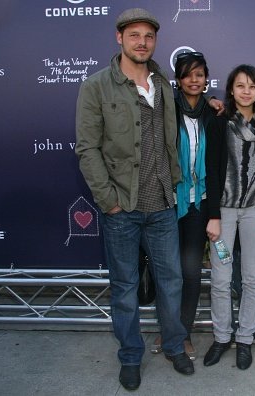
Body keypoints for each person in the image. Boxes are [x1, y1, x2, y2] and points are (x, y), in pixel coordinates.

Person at [75, 8, 194, 391]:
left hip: (162, 204)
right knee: (125, 288)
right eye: (134, 35)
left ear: (154, 41)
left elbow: (177, 132)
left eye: (148, 36)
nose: (142, 42)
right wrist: (108, 200)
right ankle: (130, 357)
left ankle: (175, 346)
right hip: (121, 208)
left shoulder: (163, 83)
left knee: (170, 282)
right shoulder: (96, 86)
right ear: (119, 38)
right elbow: (87, 149)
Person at [203, 64, 255, 370]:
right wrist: (212, 216)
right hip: (223, 211)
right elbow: (210, 169)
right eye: (240, 86)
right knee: (221, 278)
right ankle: (222, 337)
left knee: (251, 278)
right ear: (231, 90)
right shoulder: (219, 123)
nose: (246, 91)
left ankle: (245, 338)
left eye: (252, 86)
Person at [149, 51, 221, 360]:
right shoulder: (165, 109)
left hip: (199, 203)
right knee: (168, 273)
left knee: (191, 272)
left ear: (206, 80)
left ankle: (184, 331)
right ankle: (168, 330)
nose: (194, 80)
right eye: (188, 74)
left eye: (200, 74)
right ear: (177, 79)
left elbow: (218, 165)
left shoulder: (213, 113)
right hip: (167, 201)